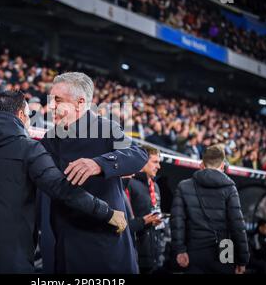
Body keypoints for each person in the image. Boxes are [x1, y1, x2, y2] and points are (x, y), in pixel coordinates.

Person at [0, 90, 126, 273]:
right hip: (9, 258)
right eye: (29, 115)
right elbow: (62, 188)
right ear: (21, 115)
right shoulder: (29, 148)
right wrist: (106, 212)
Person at [40, 72, 149, 273]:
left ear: (80, 103)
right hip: (66, 240)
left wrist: (99, 164)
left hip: (106, 241)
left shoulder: (105, 127)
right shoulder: (51, 138)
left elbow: (138, 155)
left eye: (58, 100)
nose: (51, 106)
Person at [171, 144, 249, 274]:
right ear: (223, 166)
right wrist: (242, 260)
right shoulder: (230, 189)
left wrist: (180, 250)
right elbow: (238, 226)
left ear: (202, 164)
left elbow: (177, 221)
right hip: (225, 248)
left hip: (194, 248)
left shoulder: (183, 186)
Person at [124, 146, 165, 274]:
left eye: (159, 162)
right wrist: (143, 222)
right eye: (155, 162)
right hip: (133, 256)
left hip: (153, 256)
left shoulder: (156, 186)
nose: (158, 166)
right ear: (142, 161)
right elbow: (122, 225)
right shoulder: (128, 184)